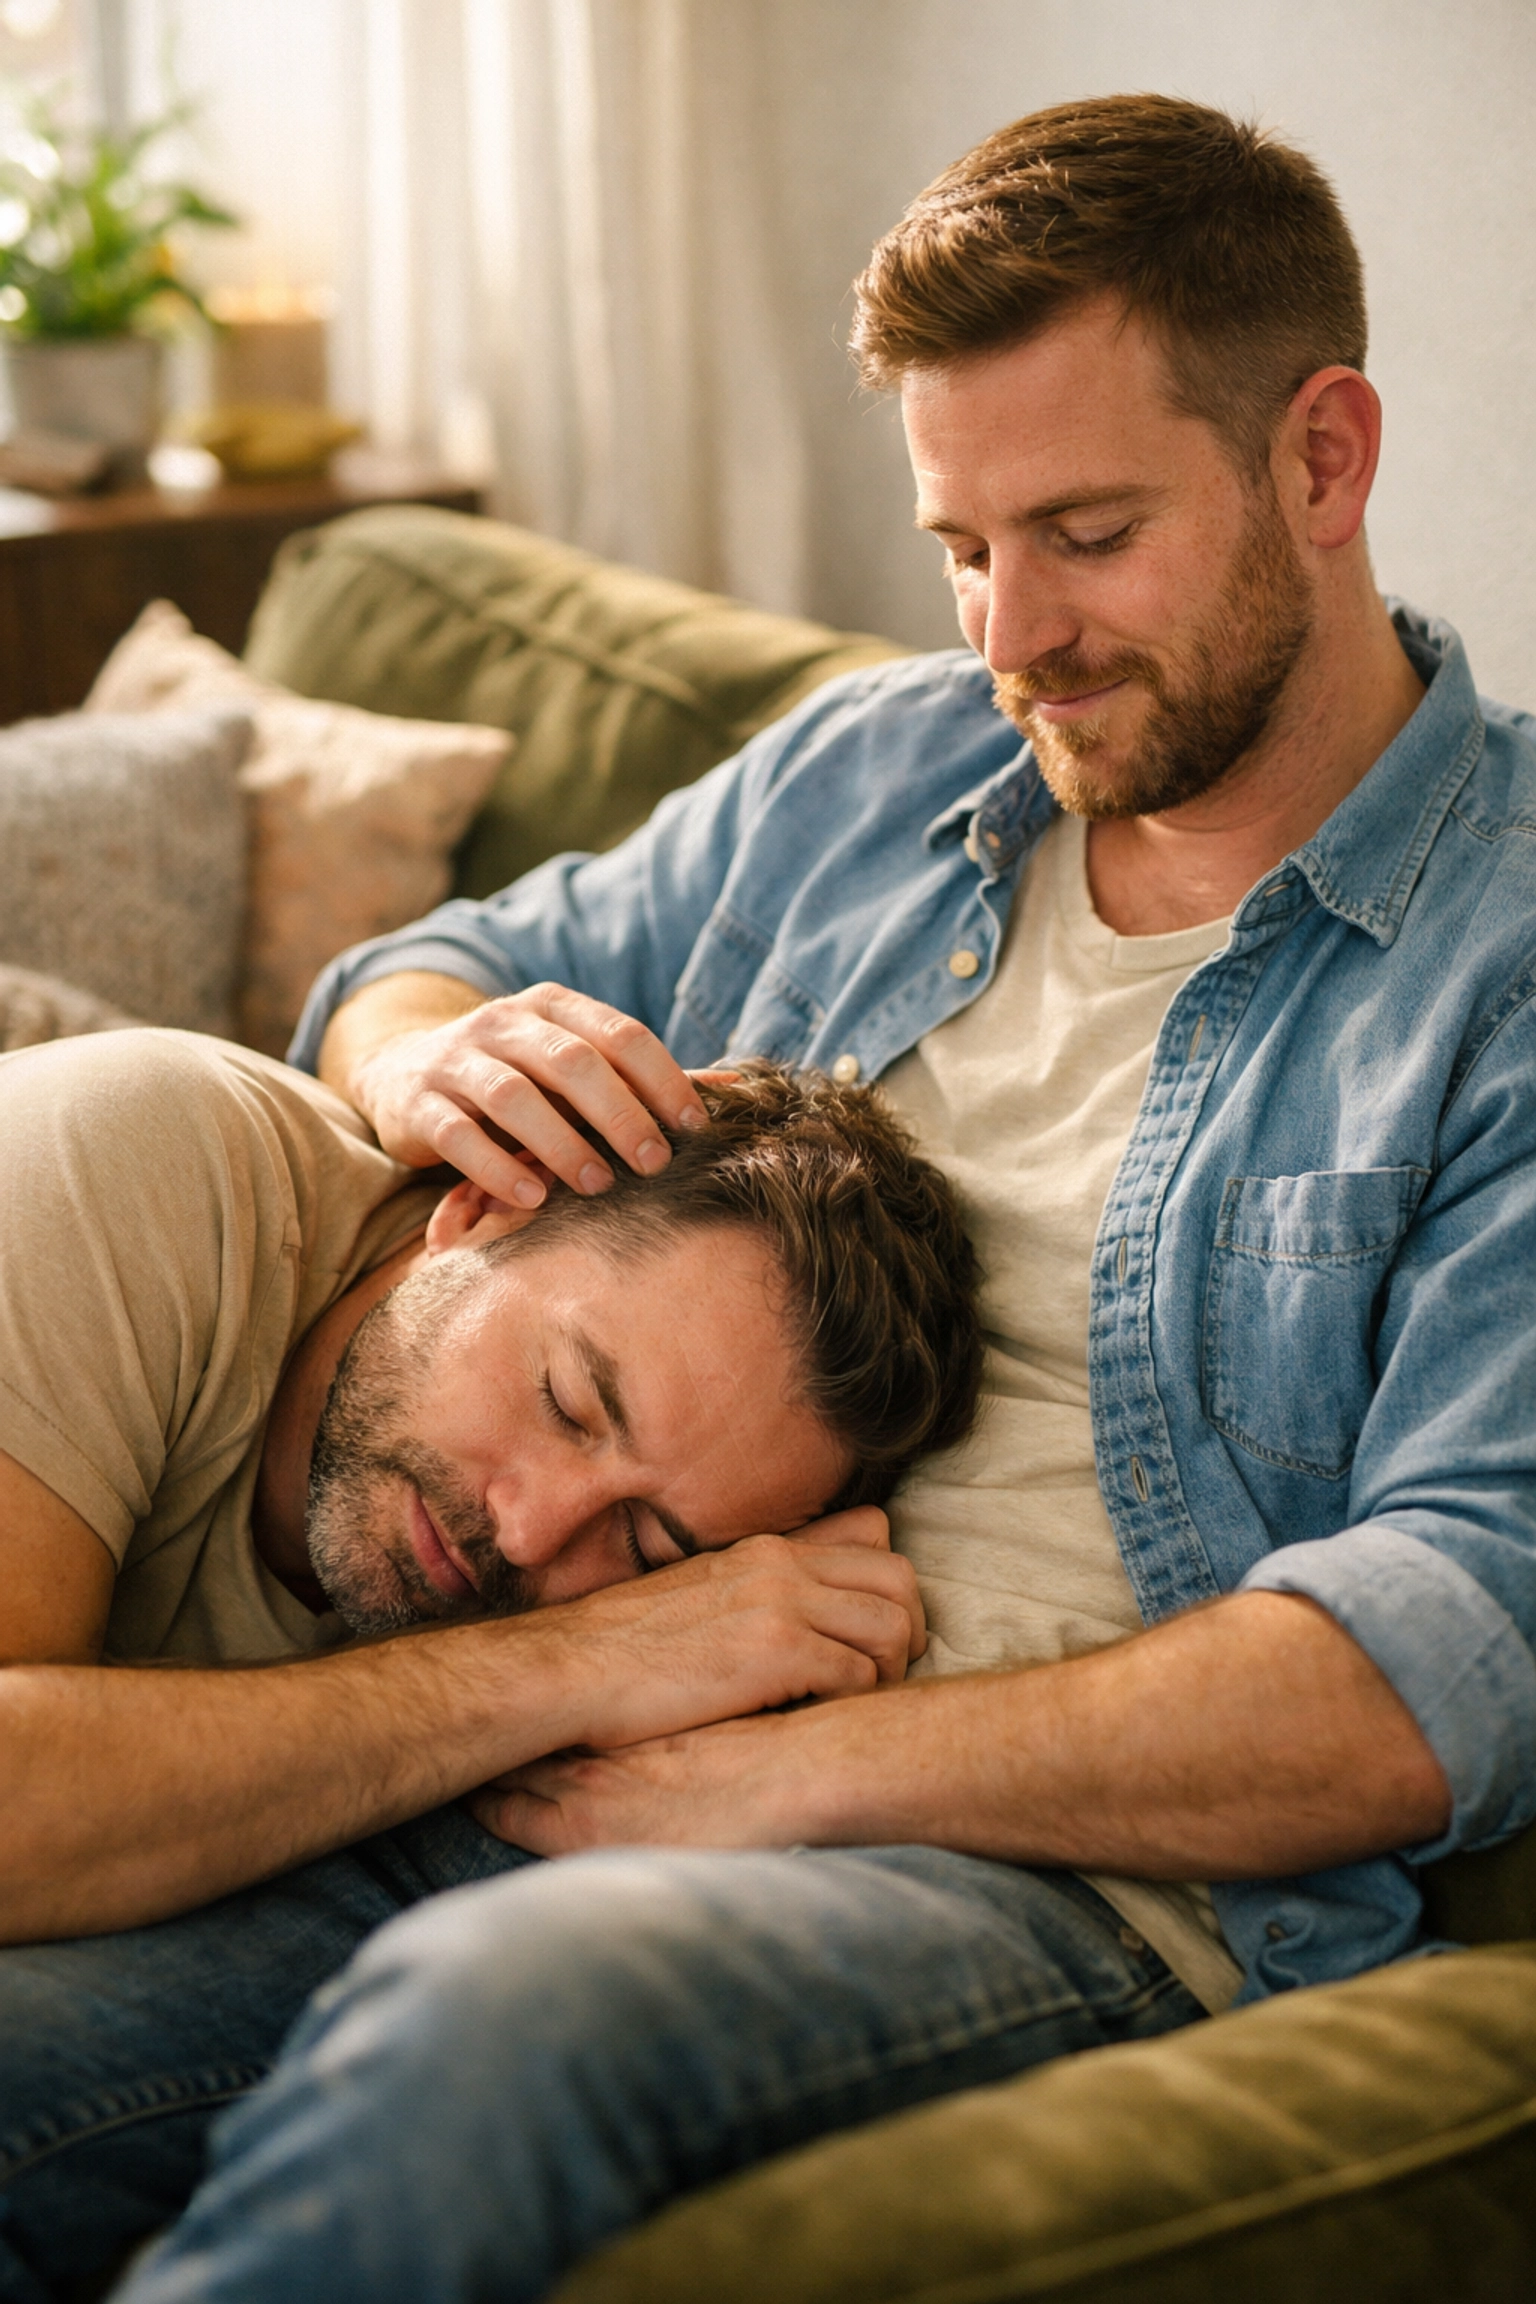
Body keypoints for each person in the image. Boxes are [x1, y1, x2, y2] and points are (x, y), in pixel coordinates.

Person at [91, 88, 1536, 2304]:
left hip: (1025, 1890)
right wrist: (434, 1054)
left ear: (1323, 460)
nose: (1009, 635)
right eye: (964, 543)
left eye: (1084, 531)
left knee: (501, 2022)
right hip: (547, 1744)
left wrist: (799, 1775)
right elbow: (418, 968)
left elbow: (1439, 1662)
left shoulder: (1499, 971)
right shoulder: (887, 774)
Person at [0, 1027, 980, 2297]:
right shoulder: (137, 1152)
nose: (530, 1531)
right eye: (570, 1399)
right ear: (475, 1208)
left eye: (649, 1543)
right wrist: (572, 1656)